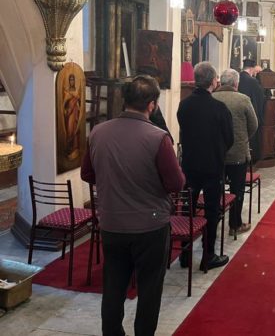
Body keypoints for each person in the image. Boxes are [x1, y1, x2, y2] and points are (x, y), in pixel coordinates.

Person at [81, 74, 185, 336]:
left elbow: (87, 173)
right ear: (152, 105)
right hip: (150, 225)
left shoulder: (98, 132)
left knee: (113, 286)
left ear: (124, 100)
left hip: (112, 223)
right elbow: (175, 183)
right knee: (150, 289)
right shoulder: (158, 137)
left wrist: (113, 181)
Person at [177, 62, 234, 271]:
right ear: (213, 81)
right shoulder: (219, 108)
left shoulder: (184, 105)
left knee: (188, 207)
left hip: (190, 165)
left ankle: (185, 253)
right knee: (211, 210)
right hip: (212, 166)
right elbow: (229, 138)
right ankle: (208, 255)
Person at [213, 69, 258, 236]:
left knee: (216, 189)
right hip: (238, 153)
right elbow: (254, 125)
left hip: (216, 154)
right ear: (236, 84)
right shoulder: (243, 99)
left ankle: (215, 220)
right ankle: (235, 224)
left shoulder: (212, 98)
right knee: (237, 189)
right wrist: (242, 138)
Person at [238, 58, 265, 163]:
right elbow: (260, 98)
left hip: (238, 114)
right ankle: (252, 157)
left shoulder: (237, 78)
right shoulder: (253, 81)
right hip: (250, 113)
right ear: (251, 69)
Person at [63, 73, 81, 160]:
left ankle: (75, 149)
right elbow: (64, 104)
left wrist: (75, 97)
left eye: (73, 80)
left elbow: (79, 102)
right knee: (69, 131)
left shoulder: (76, 91)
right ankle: (69, 149)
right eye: (70, 80)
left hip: (75, 113)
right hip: (69, 114)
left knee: (75, 130)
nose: (72, 81)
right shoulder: (66, 91)